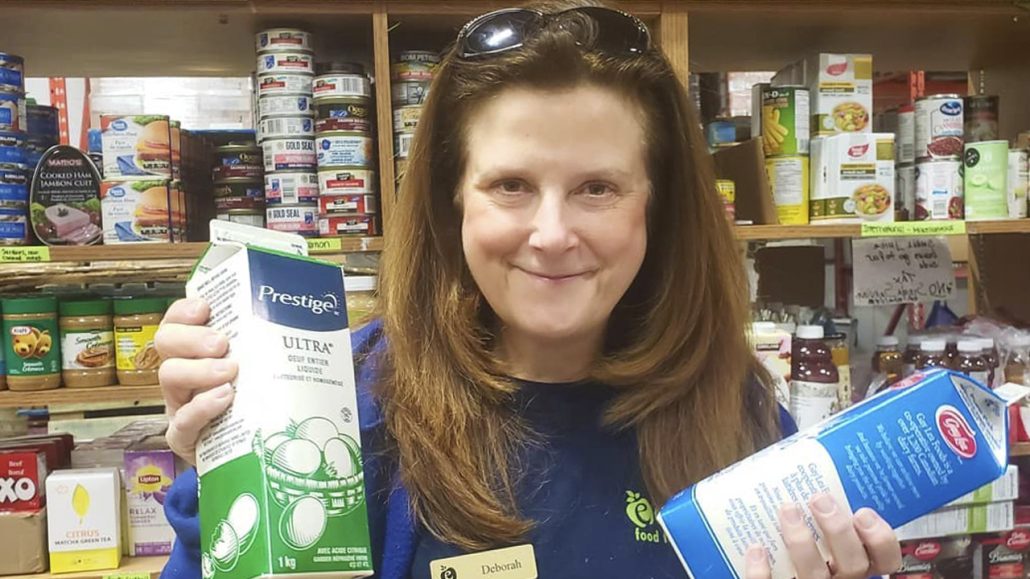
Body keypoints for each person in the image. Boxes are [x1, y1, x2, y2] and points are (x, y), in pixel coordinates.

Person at [158, 1, 902, 577]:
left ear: (658, 205)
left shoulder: (734, 409)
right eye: (511, 185)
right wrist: (224, 487)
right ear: (454, 200)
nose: (551, 233)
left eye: (597, 188)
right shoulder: (339, 405)